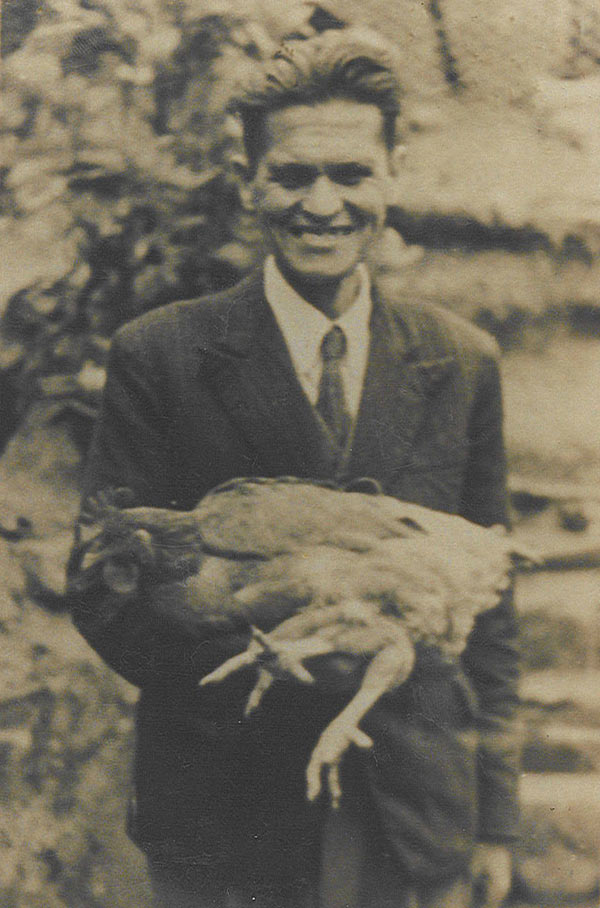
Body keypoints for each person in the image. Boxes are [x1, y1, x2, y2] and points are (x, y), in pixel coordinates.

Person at [69, 27, 520, 908]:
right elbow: (103, 582)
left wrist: (493, 817)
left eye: (351, 174)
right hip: (226, 813)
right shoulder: (162, 355)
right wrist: (269, 652)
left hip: (410, 811)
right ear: (249, 186)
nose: (323, 203)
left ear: (391, 176)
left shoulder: (460, 362)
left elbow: (493, 611)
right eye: (292, 175)